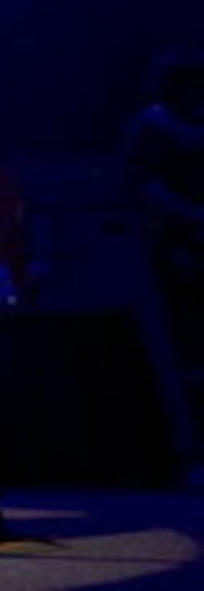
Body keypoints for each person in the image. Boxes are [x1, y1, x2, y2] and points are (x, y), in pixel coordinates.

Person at [119, 49, 204, 452]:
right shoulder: (155, 128)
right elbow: (144, 184)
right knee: (189, 337)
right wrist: (191, 215)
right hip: (179, 241)